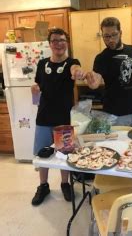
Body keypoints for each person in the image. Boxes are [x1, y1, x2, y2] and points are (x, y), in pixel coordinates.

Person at [31, 28, 86, 206]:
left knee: (65, 154)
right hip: (43, 117)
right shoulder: (42, 64)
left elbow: (75, 70)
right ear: (50, 44)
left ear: (67, 43)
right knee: (42, 155)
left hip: (64, 119)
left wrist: (78, 73)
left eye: (62, 40)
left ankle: (65, 184)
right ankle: (43, 186)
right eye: (54, 40)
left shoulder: (72, 62)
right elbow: (37, 87)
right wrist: (35, 90)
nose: (58, 44)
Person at [86, 17, 132, 128]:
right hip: (115, 115)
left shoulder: (131, 50)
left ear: (120, 33)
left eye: (114, 34)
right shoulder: (101, 58)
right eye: (107, 36)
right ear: (103, 36)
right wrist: (92, 83)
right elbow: (96, 81)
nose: (111, 40)